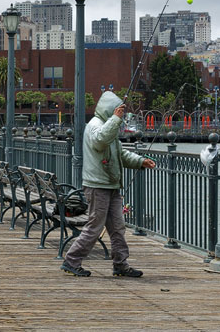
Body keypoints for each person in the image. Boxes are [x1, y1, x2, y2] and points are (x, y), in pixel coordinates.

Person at [61, 91, 155, 278]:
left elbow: (119, 153)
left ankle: (121, 264)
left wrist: (140, 161)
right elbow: (100, 141)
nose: (120, 114)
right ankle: (71, 261)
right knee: (95, 226)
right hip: (98, 185)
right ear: (109, 109)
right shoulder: (95, 125)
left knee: (118, 227)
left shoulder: (108, 125)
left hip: (111, 185)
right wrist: (115, 119)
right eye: (117, 110)